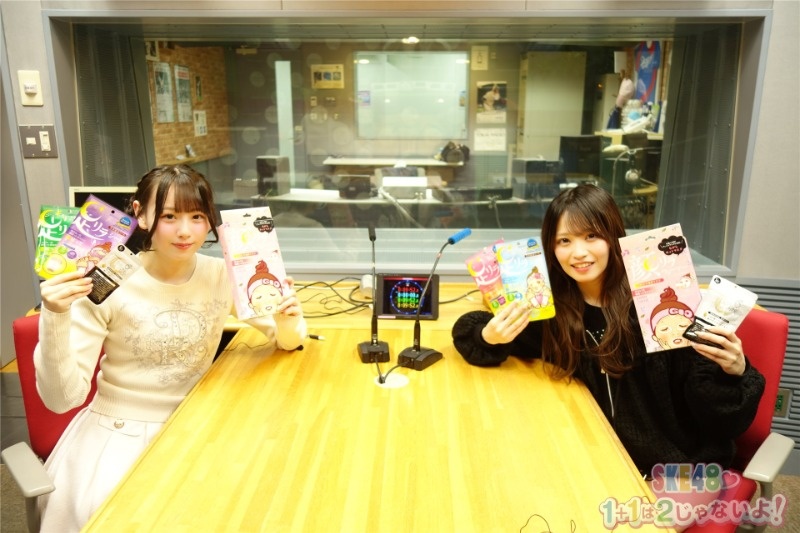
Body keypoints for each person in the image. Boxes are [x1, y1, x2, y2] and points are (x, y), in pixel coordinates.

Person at [451, 185, 764, 513]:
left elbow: (722, 420)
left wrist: (735, 371)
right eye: (564, 241)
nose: (578, 253)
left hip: (683, 467)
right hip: (601, 456)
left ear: (614, 237)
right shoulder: (556, 312)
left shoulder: (658, 302)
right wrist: (488, 335)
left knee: (618, 524)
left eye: (591, 236)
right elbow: (472, 332)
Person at [34, 164, 307, 532]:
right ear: (140, 214)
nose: (185, 231)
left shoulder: (222, 274)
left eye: (197, 216)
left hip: (199, 425)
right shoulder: (105, 279)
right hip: (119, 435)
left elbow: (288, 340)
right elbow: (61, 399)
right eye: (169, 216)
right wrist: (55, 315)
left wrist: (288, 319)